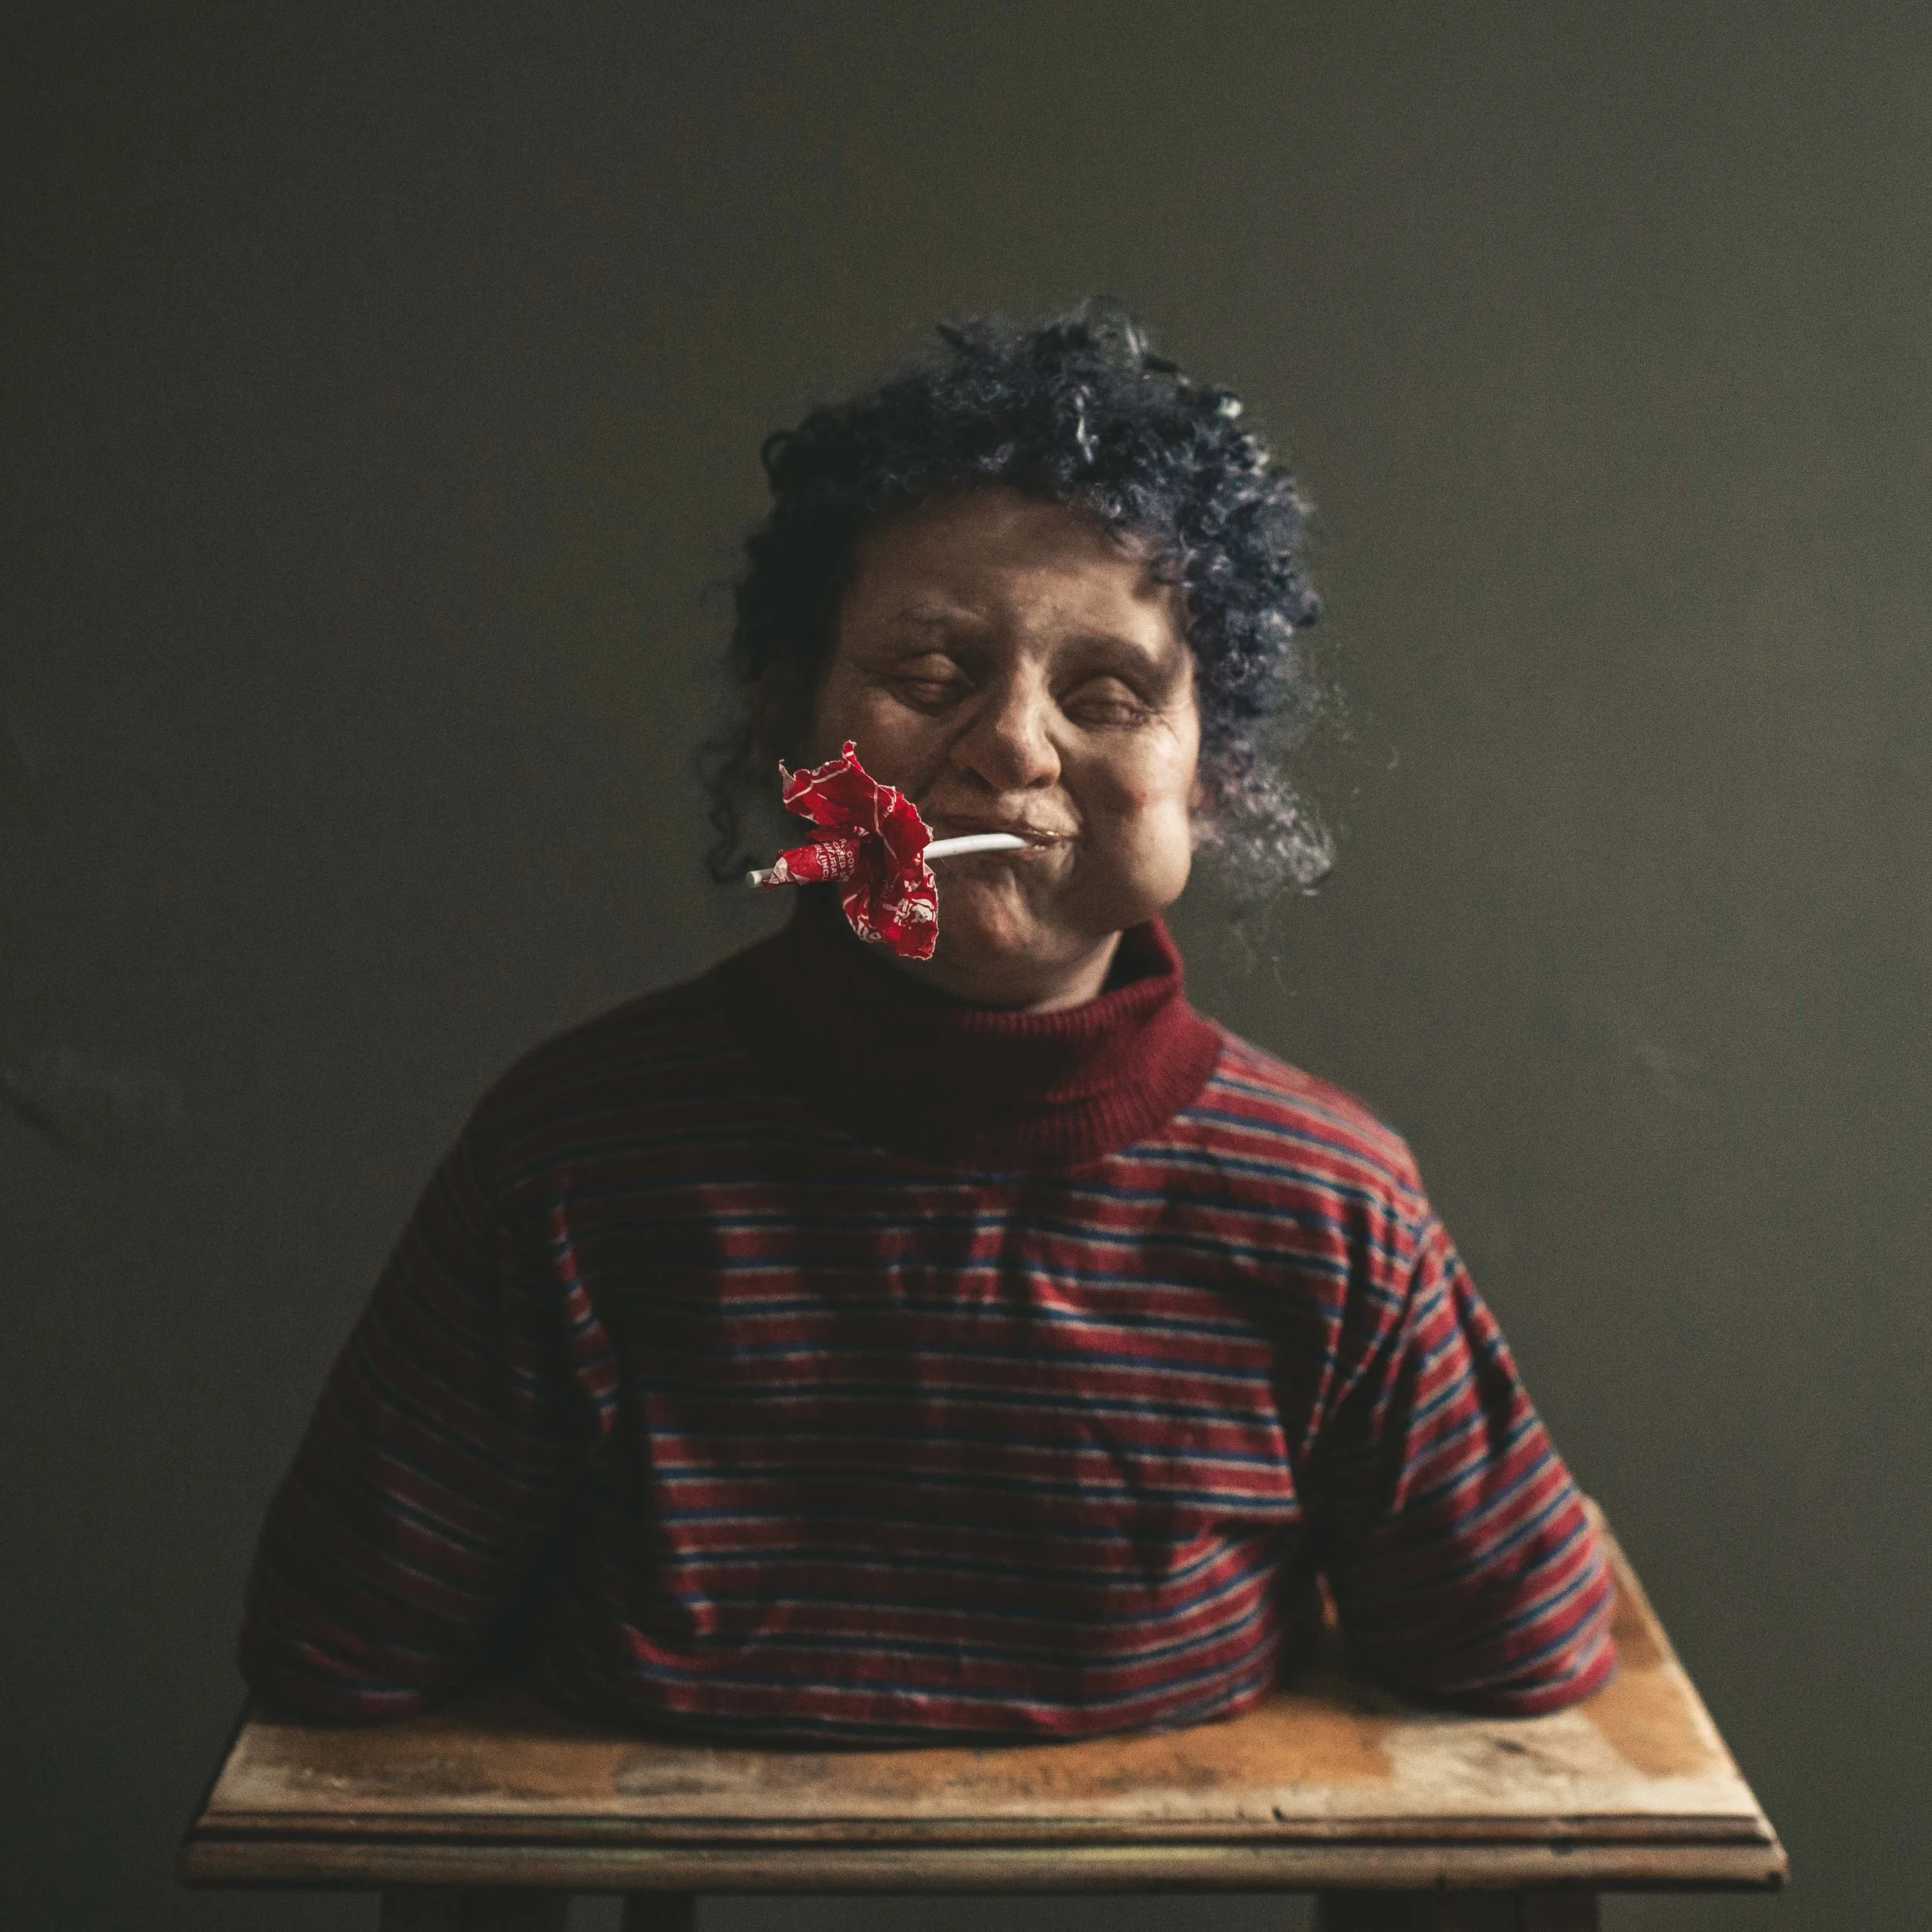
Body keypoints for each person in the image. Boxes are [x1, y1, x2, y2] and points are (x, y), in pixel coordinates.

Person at [239, 307, 1616, 1741]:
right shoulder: (575, 1163)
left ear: (1208, 780)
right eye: (931, 676)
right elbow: (341, 1645)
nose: (1014, 747)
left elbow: (1512, 1645)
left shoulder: (1330, 1206)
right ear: (793, 733)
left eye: (1110, 695)